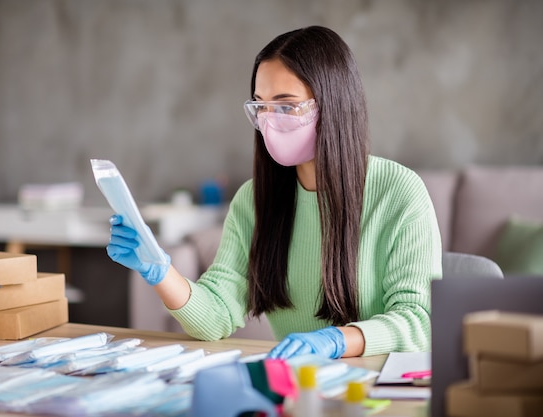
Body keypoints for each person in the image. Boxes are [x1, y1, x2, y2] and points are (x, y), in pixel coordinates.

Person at [107, 25, 442, 359]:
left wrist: (338, 340)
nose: (269, 120)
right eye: (261, 107)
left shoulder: (399, 191)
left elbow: (418, 320)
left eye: (286, 106)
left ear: (333, 105)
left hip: (381, 386)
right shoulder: (253, 201)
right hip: (301, 385)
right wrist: (159, 270)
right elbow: (214, 317)